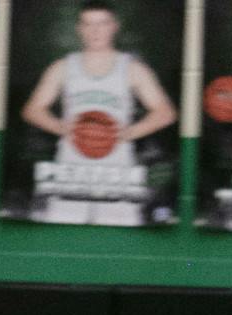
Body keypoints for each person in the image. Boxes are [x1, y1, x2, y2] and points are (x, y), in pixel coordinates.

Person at [19, 0, 177, 226]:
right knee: (63, 235)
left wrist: (129, 132)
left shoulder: (132, 68)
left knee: (119, 240)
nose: (95, 31)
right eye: (88, 24)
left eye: (102, 24)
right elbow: (32, 110)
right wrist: (61, 127)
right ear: (79, 28)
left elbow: (165, 112)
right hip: (71, 169)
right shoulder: (62, 67)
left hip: (117, 170)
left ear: (114, 26)